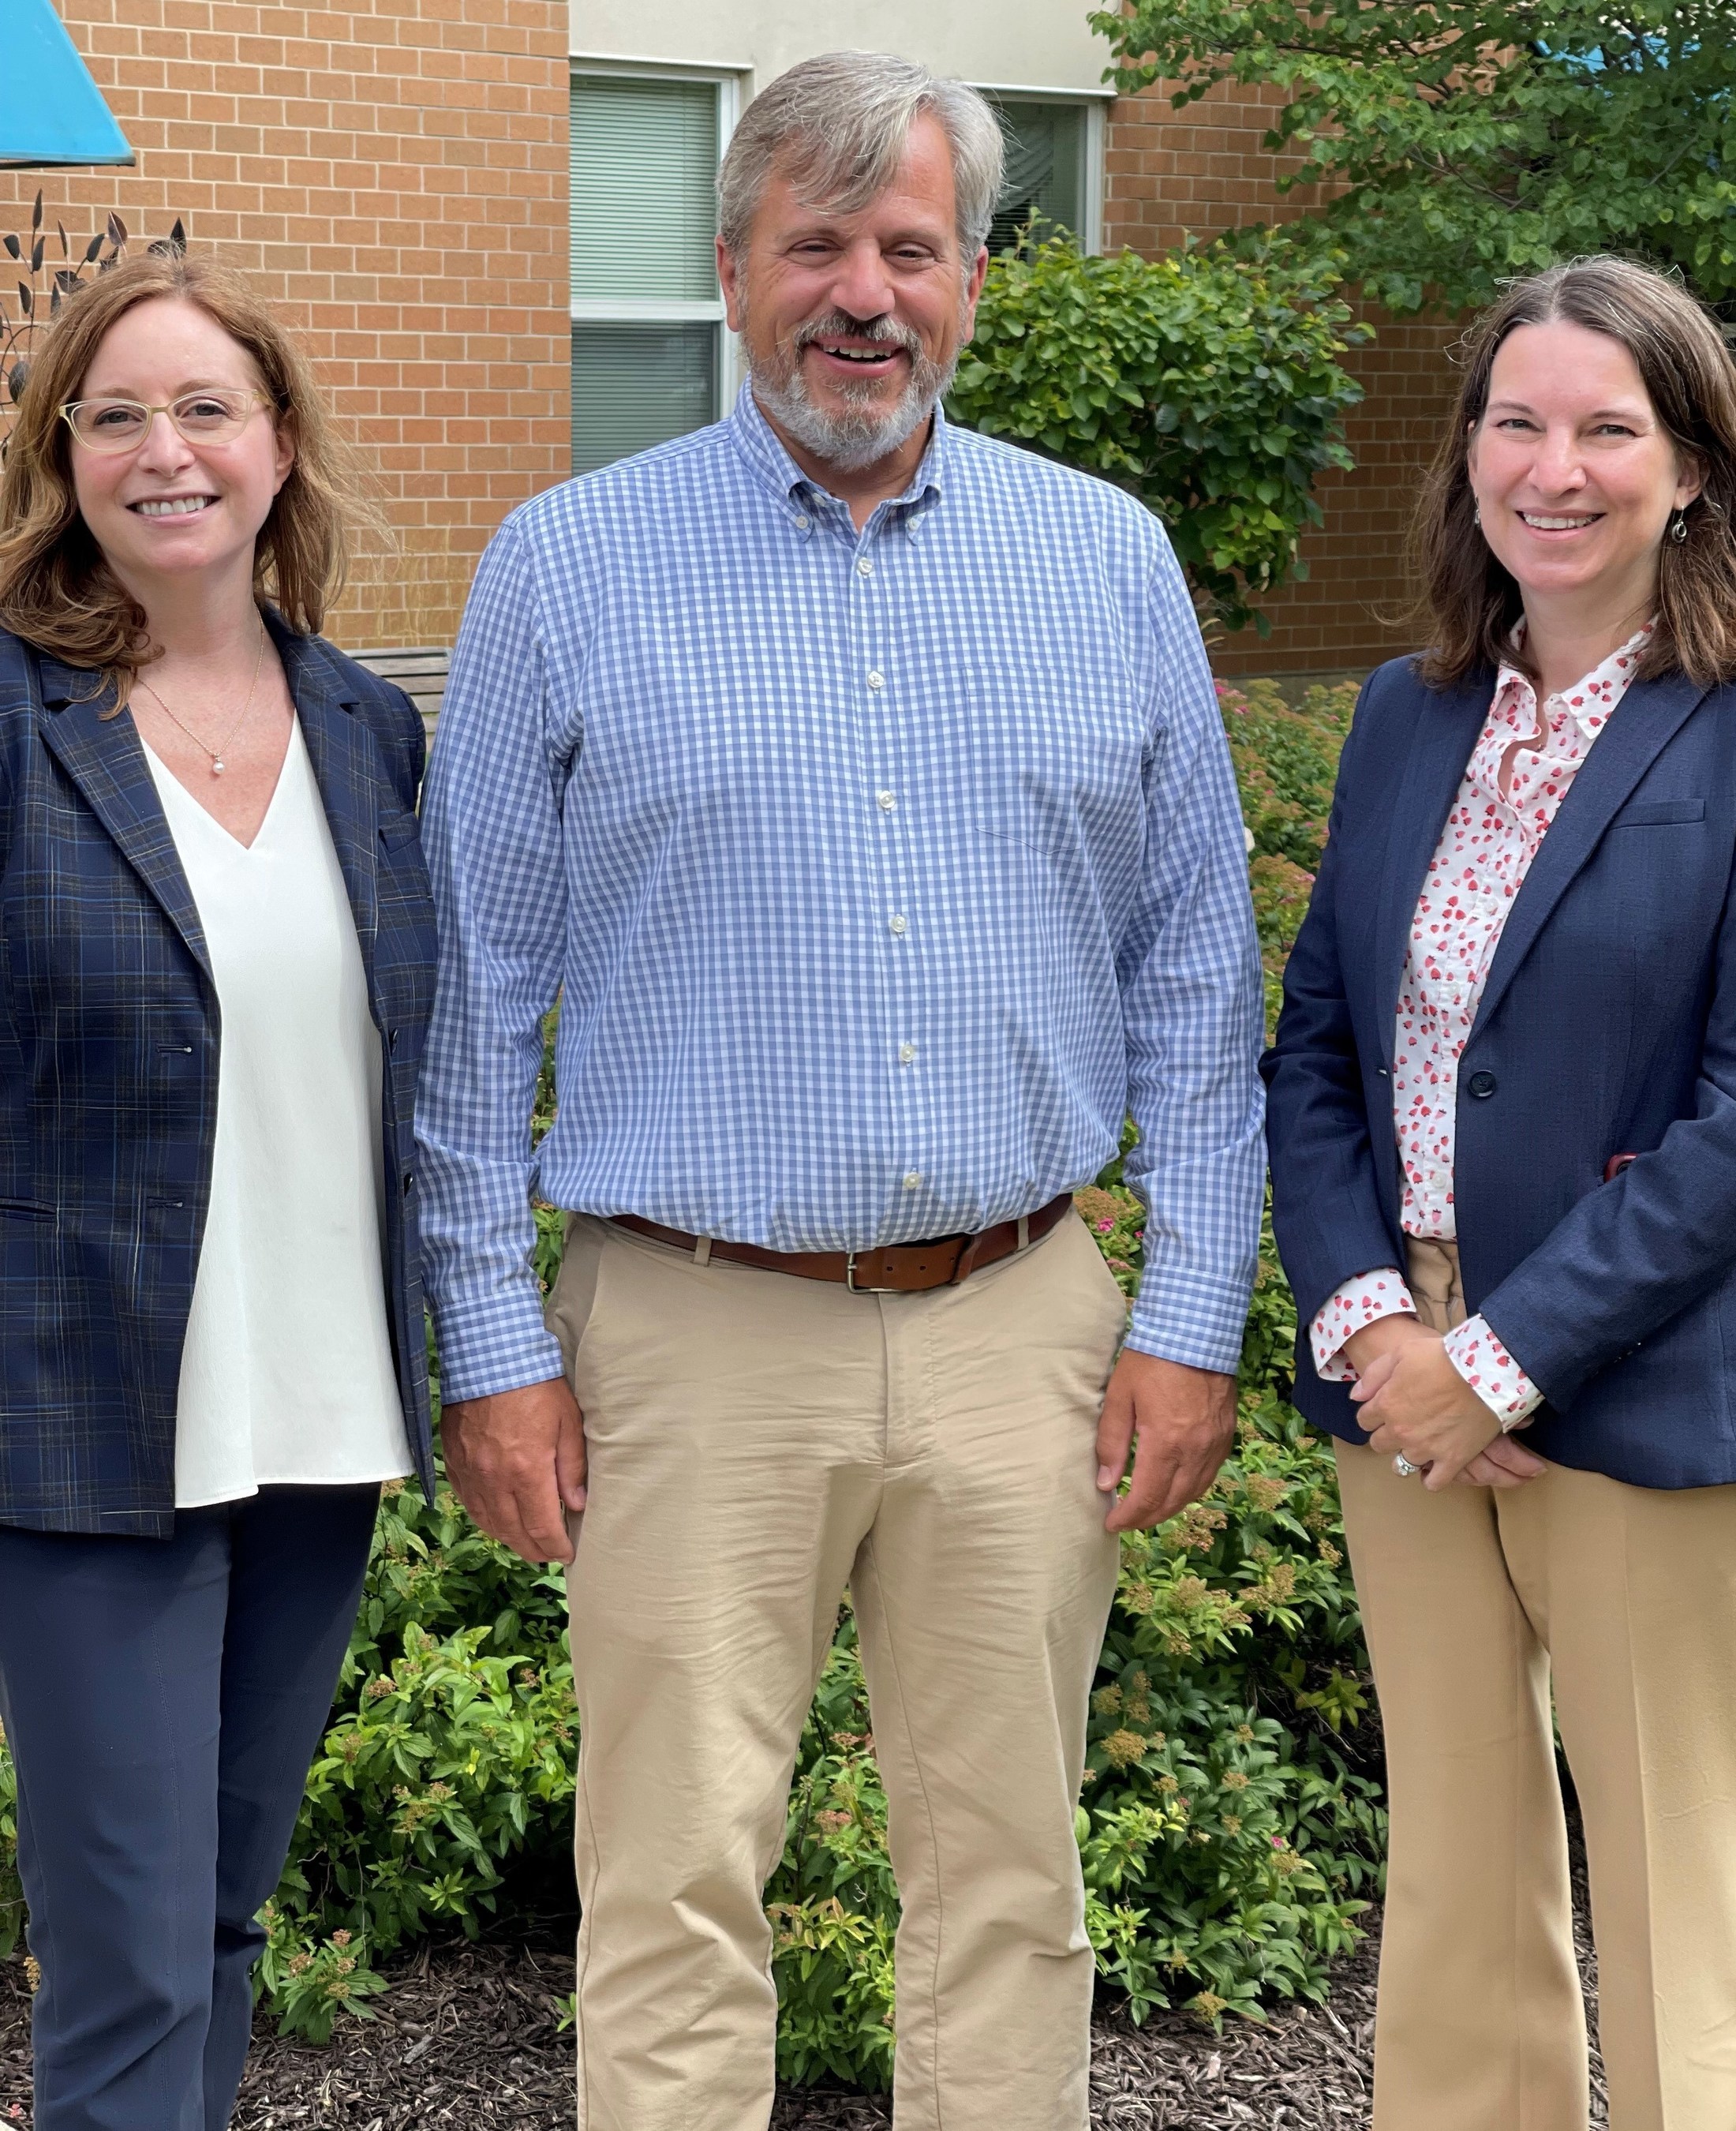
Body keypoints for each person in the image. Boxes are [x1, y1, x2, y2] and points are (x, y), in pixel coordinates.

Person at [417, 48, 1263, 2131]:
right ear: (729, 272)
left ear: (977, 273)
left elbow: (1195, 971)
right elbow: (471, 996)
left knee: (1007, 1874)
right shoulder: (565, 567)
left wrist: (1186, 1311)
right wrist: (494, 1339)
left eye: (908, 244)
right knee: (672, 1878)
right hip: (684, 1333)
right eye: (814, 243)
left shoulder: (1110, 564)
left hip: (1023, 1323)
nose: (859, 292)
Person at [1263, 254, 1736, 2131]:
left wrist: (1509, 1352)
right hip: (1398, 1386)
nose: (1552, 468)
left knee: (1670, 1886)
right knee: (1452, 1875)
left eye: (1605, 429)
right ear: (1464, 450)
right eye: (1515, 421)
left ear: (1688, 467)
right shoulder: (1404, 711)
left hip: (1626, 1384)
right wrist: (1375, 1318)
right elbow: (1312, 1044)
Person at [0, 252, 436, 2130]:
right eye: (116, 416)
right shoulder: (15, 719)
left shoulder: (367, 730)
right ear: (63, 461)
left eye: (204, 409)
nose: (163, 450)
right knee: (125, 1960)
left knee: (230, 1918)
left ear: (276, 449)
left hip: (320, 1415)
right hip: (89, 1428)